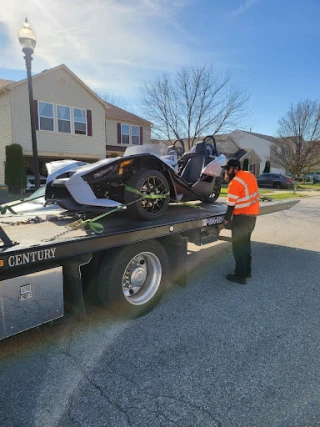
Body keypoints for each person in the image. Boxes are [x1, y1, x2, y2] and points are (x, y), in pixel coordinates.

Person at [223, 158, 260, 285]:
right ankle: (247, 271)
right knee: (246, 246)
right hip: (252, 217)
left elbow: (231, 205)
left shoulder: (235, 183)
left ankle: (240, 276)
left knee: (239, 248)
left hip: (242, 218)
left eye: (227, 170)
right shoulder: (249, 175)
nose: (226, 172)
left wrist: (227, 220)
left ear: (234, 169)